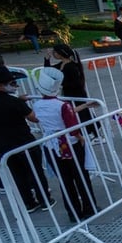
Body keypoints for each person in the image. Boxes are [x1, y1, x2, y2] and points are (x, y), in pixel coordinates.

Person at [0, 66, 54, 212]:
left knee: (17, 175)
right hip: (24, 143)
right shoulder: (13, 102)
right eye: (11, 83)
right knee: (35, 173)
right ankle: (45, 200)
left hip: (2, 146)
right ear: (0, 85)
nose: (14, 86)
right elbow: (34, 118)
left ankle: (28, 203)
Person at [31, 67, 97, 222]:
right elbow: (71, 125)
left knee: (65, 180)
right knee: (81, 177)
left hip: (51, 144)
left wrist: (84, 106)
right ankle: (89, 208)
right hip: (69, 144)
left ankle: (73, 213)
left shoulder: (37, 105)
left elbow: (54, 116)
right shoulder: (62, 105)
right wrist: (80, 137)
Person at [45, 43, 100, 140]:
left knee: (82, 113)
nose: (53, 54)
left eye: (54, 52)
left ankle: (92, 132)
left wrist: (62, 84)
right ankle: (90, 131)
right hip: (69, 93)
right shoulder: (62, 64)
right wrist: (47, 59)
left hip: (77, 93)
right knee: (78, 112)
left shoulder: (71, 66)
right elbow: (48, 71)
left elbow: (77, 83)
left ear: (60, 53)